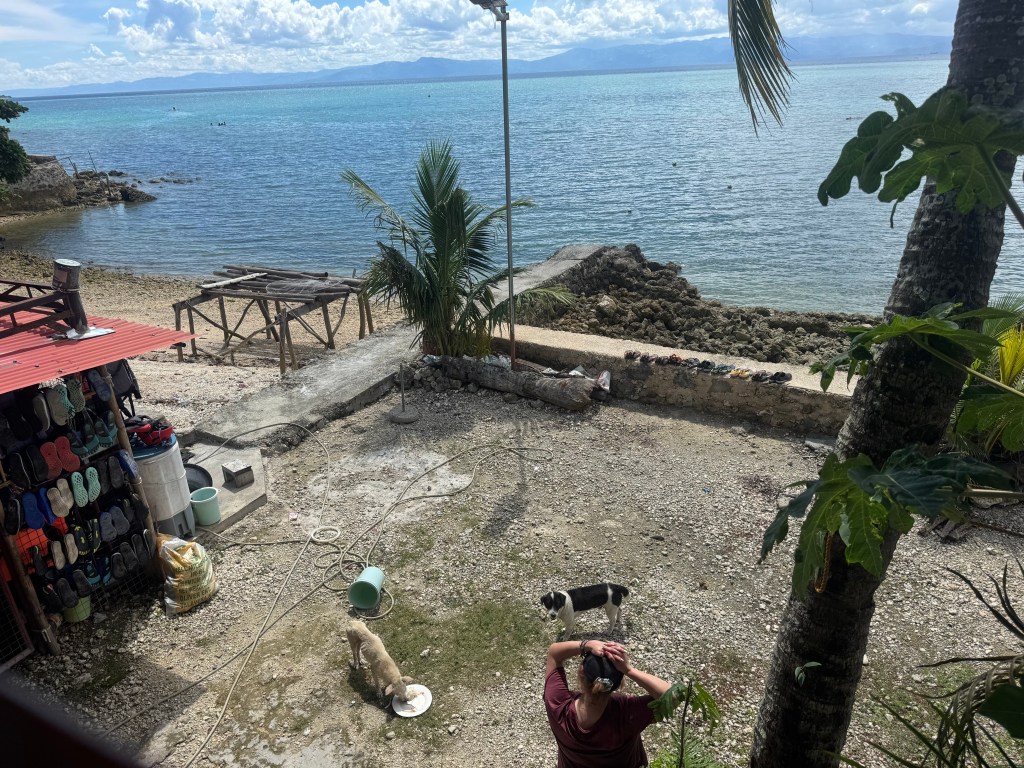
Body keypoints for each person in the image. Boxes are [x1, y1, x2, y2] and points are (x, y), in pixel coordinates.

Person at [543, 638, 671, 767]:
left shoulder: (559, 705)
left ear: (581, 671)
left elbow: (554, 653)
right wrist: (629, 670)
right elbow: (671, 695)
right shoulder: (627, 713)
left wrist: (586, 644)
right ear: (620, 683)